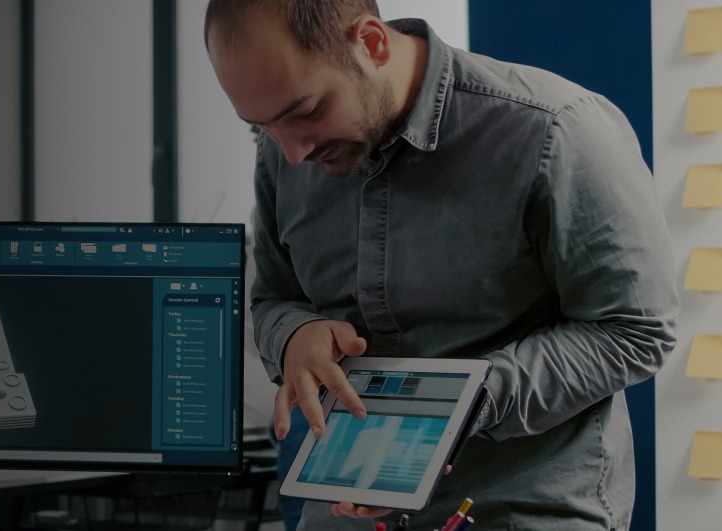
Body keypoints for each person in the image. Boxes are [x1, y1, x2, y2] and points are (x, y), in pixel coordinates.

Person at [203, 1, 679, 529]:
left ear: (372, 43)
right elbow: (273, 298)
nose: (293, 152)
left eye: (307, 110)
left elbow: (635, 329)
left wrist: (467, 400)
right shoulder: (283, 153)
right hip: (346, 506)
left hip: (521, 507)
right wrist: (294, 334)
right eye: (262, 126)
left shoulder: (557, 131)